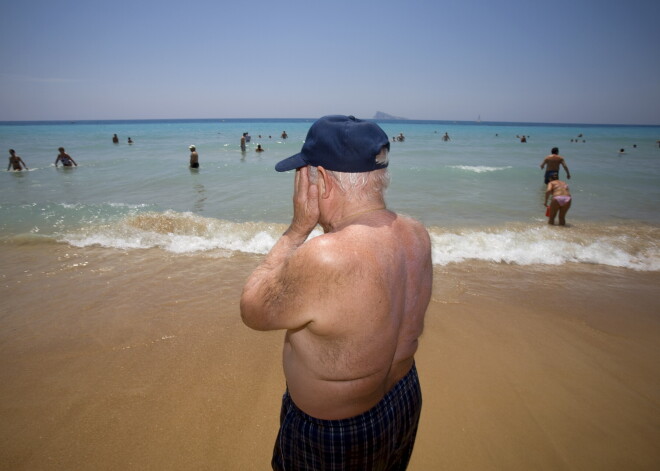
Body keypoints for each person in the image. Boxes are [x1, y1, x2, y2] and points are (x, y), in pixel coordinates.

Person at [240, 115, 433, 470]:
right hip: (403, 397)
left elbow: (253, 309)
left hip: (336, 432)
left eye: (305, 175)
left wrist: (296, 230)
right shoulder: (416, 233)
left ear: (323, 181)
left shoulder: (325, 255)